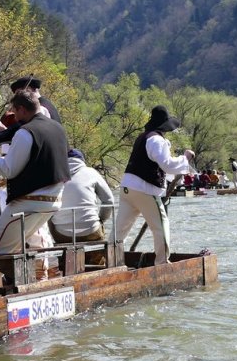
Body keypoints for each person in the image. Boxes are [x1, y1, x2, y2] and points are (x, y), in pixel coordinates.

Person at [0, 88, 70, 291]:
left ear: (22, 109)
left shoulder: (25, 133)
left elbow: (8, 170)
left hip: (28, 202)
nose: (15, 118)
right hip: (54, 201)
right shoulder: (57, 128)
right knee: (10, 247)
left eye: (15, 112)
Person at [114, 105, 195, 265]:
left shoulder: (143, 137)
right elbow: (167, 165)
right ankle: (162, 262)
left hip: (127, 188)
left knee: (119, 230)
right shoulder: (157, 140)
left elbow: (159, 167)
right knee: (160, 226)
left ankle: (110, 261)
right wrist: (185, 158)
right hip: (145, 189)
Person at [49, 148, 114, 266]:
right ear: (82, 160)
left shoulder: (53, 173)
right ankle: (97, 265)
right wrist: (101, 220)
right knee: (97, 228)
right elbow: (109, 200)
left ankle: (66, 263)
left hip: (62, 234)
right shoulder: (91, 172)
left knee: (50, 215)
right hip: (91, 230)